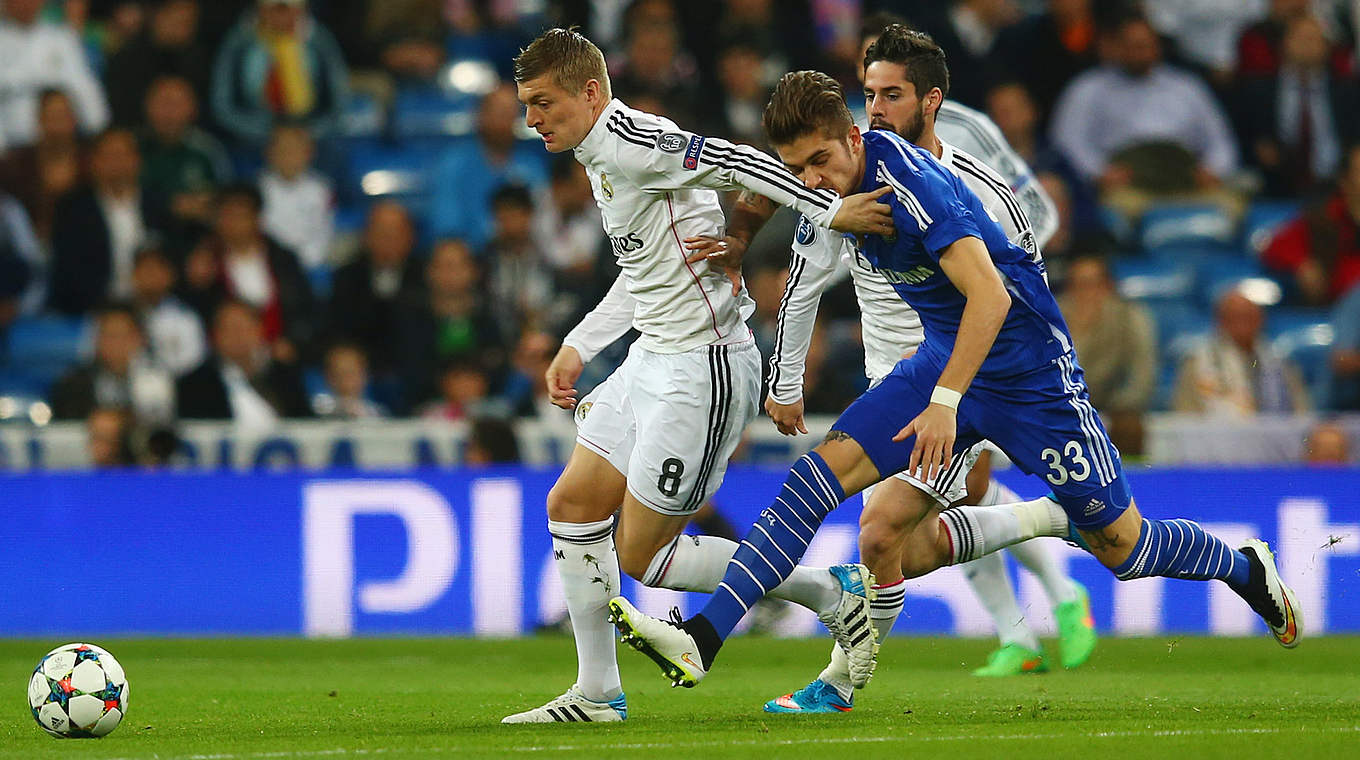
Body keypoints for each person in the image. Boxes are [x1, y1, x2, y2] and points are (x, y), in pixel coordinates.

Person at [610, 68, 1301, 694]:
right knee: (816, 483)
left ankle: (1245, 566)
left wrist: (945, 403)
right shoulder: (833, 193)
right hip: (944, 360)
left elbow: (991, 297)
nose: (812, 180)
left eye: (821, 161)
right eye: (800, 169)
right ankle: (704, 638)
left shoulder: (912, 186)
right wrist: (743, 244)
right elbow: (762, 186)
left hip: (1031, 377)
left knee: (1124, 547)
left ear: (853, 138)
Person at [499, 27, 897, 725]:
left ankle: (830, 596)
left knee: (644, 556)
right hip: (651, 356)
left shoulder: (632, 140)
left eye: (542, 102)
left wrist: (831, 209)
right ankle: (597, 695)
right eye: (526, 103)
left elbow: (741, 161)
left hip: (702, 367)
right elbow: (645, 270)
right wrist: (580, 342)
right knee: (572, 505)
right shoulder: (598, 154)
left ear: (589, 93)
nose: (531, 118)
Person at [714, 27, 1093, 711]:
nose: (877, 108)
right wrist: (787, 379)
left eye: (891, 93)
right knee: (905, 541)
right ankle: (1044, 553)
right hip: (892, 375)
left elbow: (1029, 227)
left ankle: (842, 682)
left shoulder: (967, 156)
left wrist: (1006, 278)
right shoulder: (845, 183)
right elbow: (802, 275)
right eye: (868, 94)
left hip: (967, 365)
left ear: (929, 97)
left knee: (890, 528)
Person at [1048, 11, 1241, 219]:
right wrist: (1099, 172)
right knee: (1113, 213)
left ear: (1158, 46)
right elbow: (1067, 141)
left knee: (1232, 208)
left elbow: (1220, 140)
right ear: (1115, 46)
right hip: (1128, 188)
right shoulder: (1087, 88)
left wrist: (1214, 169)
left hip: (1186, 182)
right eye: (1133, 46)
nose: (1140, 52)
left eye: (1146, 45)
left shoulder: (1188, 86)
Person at [47, 128, 170, 316]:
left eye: (123, 155)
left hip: (154, 306)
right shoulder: (73, 209)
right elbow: (67, 270)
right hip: (93, 310)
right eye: (110, 156)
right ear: (94, 162)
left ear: (137, 160)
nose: (117, 163)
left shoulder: (157, 205)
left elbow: (169, 259)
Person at [209, 0, 348, 146]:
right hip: (252, 137)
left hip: (309, 137)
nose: (280, 18)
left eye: (286, 10)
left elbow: (339, 102)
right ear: (260, 10)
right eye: (274, 10)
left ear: (301, 11)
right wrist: (266, 134)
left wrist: (308, 133)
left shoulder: (320, 42)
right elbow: (222, 104)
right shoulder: (239, 42)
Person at [428, 85, 548, 249]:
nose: (505, 121)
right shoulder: (454, 164)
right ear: (481, 115)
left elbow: (544, 220)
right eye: (499, 113)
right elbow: (446, 224)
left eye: (510, 114)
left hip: (524, 254)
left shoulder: (531, 165)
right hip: (471, 255)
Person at [1058, 255, 1156, 453]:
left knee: (1129, 427)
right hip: (1063, 399)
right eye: (1079, 285)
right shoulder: (1055, 316)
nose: (1086, 292)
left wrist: (1124, 404)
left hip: (1115, 401)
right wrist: (1079, 331)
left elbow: (1142, 373)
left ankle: (1128, 471)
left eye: (1093, 284)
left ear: (1108, 286)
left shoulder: (1129, 316)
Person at [1172, 289, 1311, 416]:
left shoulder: (1280, 363)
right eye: (1234, 317)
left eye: (1249, 316)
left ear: (1261, 320)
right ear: (1220, 321)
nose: (1243, 324)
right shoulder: (1197, 363)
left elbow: (1301, 412)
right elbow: (1185, 415)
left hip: (1274, 434)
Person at [176, 298, 311, 426]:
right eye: (229, 329)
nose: (238, 336)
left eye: (244, 327)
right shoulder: (195, 385)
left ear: (259, 331)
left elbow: (305, 423)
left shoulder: (285, 376)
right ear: (215, 336)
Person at [1262, 142, 1360, 306]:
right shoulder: (1324, 219)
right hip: (1336, 311)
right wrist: (1301, 264)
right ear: (1344, 180)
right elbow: (1274, 247)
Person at [0, 0, 109, 147]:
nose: (26, 3)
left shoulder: (62, 38)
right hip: (12, 144)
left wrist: (98, 130)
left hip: (61, 140)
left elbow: (84, 85)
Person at [51, 302, 174, 424]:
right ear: (96, 340)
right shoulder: (74, 383)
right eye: (108, 335)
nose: (115, 344)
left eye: (122, 336)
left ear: (139, 339)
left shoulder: (160, 378)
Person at [258, 124, 334, 271]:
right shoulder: (258, 190)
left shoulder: (321, 189)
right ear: (269, 153)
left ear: (309, 153)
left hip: (311, 265)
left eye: (295, 149)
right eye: (283, 150)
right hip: (270, 266)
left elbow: (323, 233)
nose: (289, 156)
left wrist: (306, 263)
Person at [129, 244, 207, 377]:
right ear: (134, 274)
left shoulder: (186, 317)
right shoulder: (121, 316)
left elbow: (193, 361)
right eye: (145, 268)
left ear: (171, 275)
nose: (151, 274)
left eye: (157, 268)